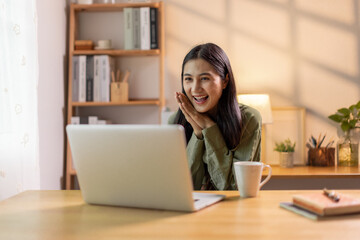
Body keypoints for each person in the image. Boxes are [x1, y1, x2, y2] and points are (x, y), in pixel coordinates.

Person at [168, 43, 262, 190]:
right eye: (188, 79)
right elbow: (181, 187)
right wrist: (198, 133)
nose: (195, 89)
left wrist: (209, 128)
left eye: (204, 78)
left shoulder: (249, 119)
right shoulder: (175, 122)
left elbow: (233, 188)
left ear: (224, 81)